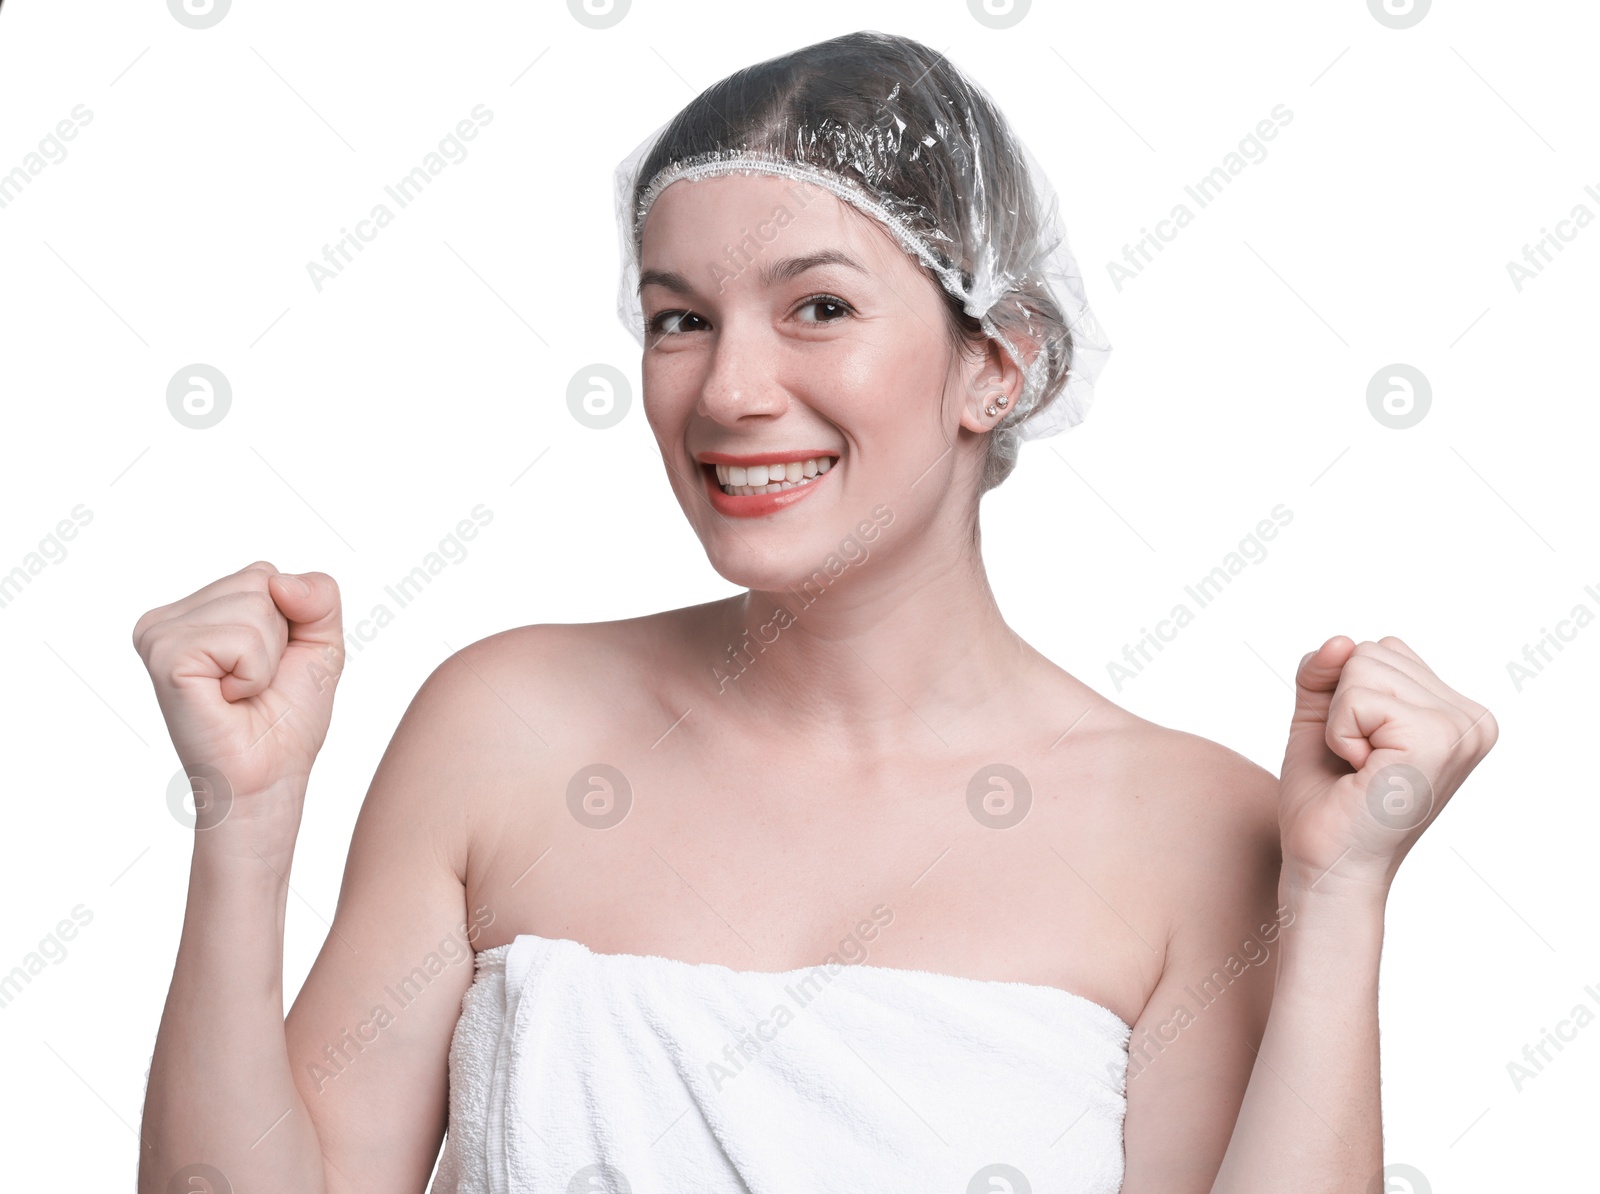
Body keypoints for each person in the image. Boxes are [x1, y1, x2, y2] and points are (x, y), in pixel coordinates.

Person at [134, 30, 1498, 1194]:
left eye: (819, 306)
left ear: (999, 361)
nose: (728, 389)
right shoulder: (505, 724)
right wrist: (243, 828)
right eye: (679, 319)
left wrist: (1339, 896)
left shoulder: (1193, 826)